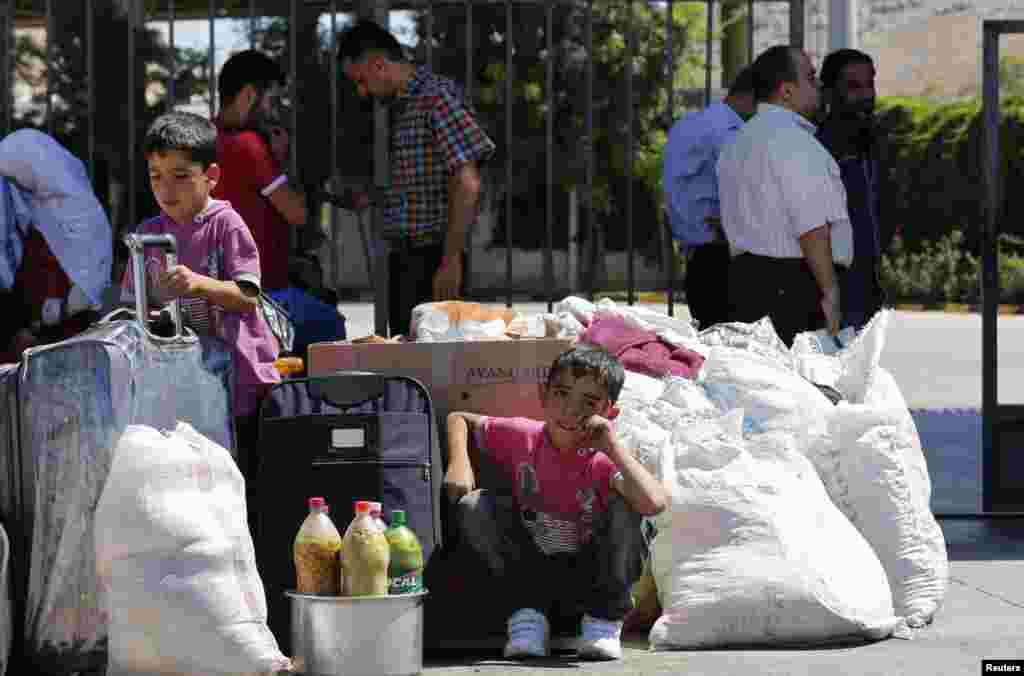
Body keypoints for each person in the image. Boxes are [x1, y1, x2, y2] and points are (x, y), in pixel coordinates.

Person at [444, 345, 667, 661]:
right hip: (531, 577)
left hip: (590, 583)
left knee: (628, 506)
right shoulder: (522, 436)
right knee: (473, 505)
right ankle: (527, 617)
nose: (570, 410)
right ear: (543, 395)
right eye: (561, 394)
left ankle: (603, 622)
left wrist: (613, 445)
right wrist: (460, 462)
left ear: (609, 412)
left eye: (588, 403)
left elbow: (655, 503)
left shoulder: (604, 459)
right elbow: (459, 418)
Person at [120, 111, 281, 466]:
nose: (166, 189)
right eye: (156, 177)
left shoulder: (225, 224)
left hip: (236, 384)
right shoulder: (147, 235)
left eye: (180, 176)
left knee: (235, 471)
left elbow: (247, 296)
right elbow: (132, 312)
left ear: (211, 177)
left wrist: (198, 283)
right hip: (178, 383)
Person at [337, 20, 496, 337]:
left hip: (433, 258)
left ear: (379, 64)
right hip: (409, 258)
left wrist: (450, 260)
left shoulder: (435, 98)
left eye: (362, 80)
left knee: (434, 362)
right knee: (409, 362)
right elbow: (424, 180)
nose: (362, 91)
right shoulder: (405, 105)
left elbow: (466, 182)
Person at [717, 45, 853, 346]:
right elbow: (812, 227)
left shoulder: (735, 144)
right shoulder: (795, 143)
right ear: (787, 92)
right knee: (804, 386)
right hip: (794, 289)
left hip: (746, 284)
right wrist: (830, 292)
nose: (818, 86)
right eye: (810, 77)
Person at [213, 49, 346, 357]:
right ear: (249, 95)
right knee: (331, 325)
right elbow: (297, 213)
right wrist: (280, 158)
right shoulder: (250, 146)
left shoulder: (206, 138)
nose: (274, 110)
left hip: (220, 287)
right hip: (264, 293)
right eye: (271, 99)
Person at [663, 66, 756, 330]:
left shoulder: (688, 125)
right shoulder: (729, 132)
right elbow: (743, 190)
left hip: (697, 257)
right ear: (752, 97)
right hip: (723, 257)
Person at [817, 48, 895, 330]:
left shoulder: (874, 142)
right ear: (828, 93)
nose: (865, 95)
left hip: (869, 283)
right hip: (832, 290)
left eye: (869, 84)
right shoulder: (818, 148)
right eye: (853, 87)